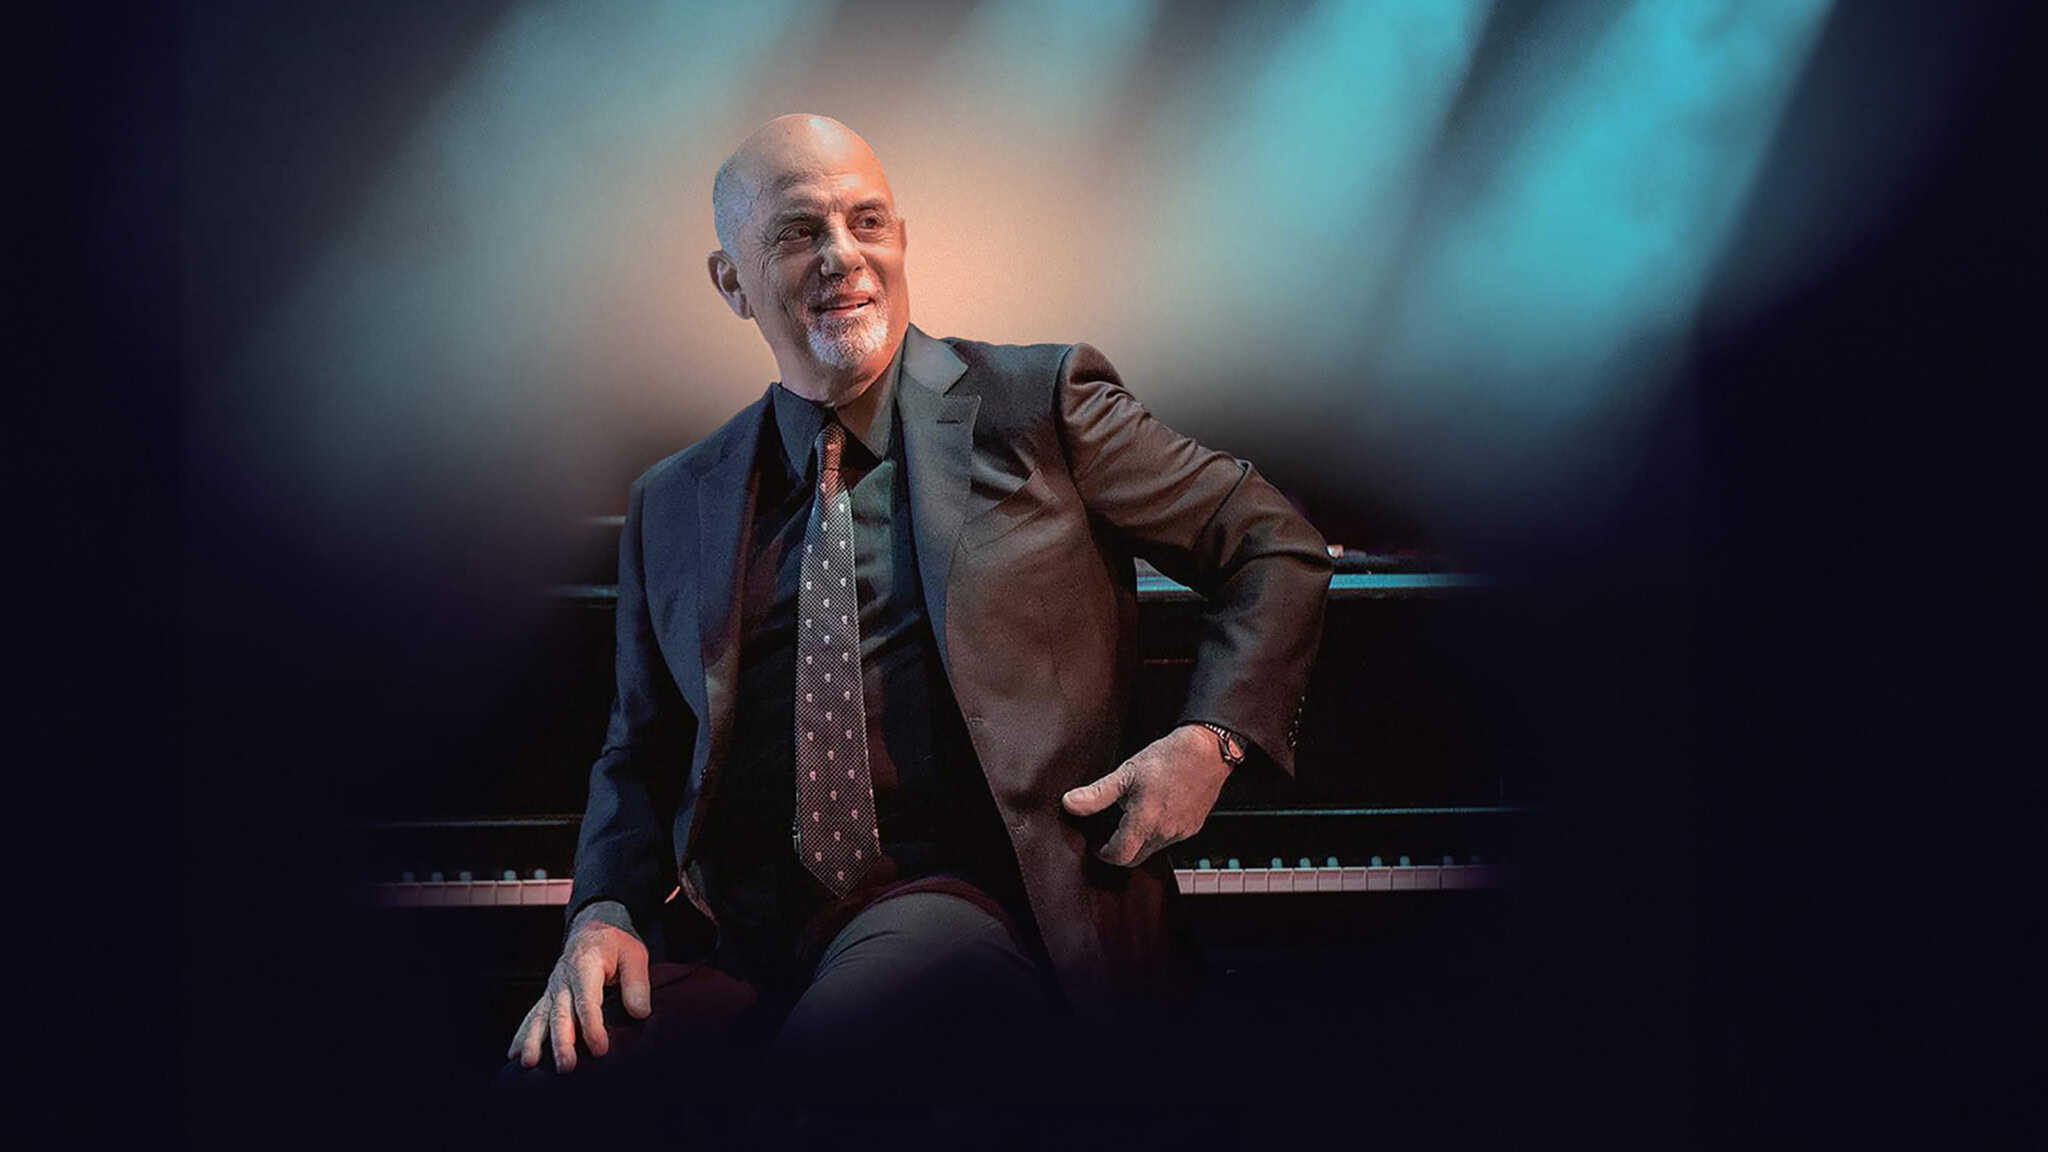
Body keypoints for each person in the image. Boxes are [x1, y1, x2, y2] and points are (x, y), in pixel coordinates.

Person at [495, 113, 1330, 1143]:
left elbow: (1270, 544)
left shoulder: (1039, 406)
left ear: (899, 239)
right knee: (547, 1084)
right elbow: (640, 751)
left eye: (866, 221)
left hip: (971, 910)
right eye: (799, 233)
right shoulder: (675, 501)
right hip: (742, 942)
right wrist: (603, 913)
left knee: (823, 1079)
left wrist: (1212, 740)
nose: (842, 256)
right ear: (731, 281)